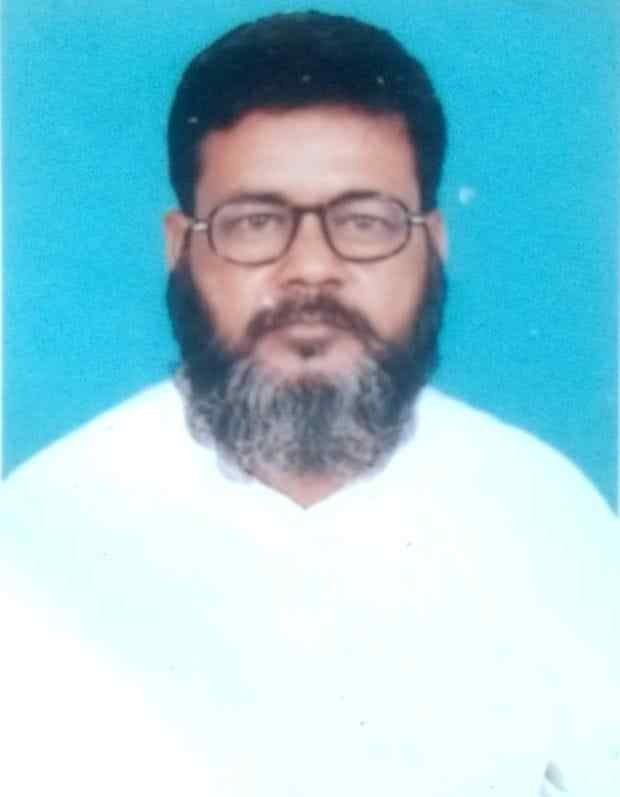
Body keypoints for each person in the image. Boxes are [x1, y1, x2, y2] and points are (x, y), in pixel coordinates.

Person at [1, 11, 618, 797]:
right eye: (256, 222)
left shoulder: (550, 520)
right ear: (181, 246)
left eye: (364, 221)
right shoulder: (39, 531)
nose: (312, 269)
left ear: (433, 243)